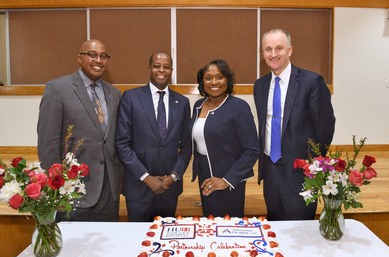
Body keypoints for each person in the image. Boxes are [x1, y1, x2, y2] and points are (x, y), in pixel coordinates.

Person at [37, 39, 124, 222]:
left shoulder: (113, 93)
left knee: (107, 246)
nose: (98, 60)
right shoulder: (58, 89)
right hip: (73, 189)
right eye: (92, 55)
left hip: (108, 192)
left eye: (103, 56)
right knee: (73, 248)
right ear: (79, 58)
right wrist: (56, 185)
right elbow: (48, 142)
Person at [253, 28, 335, 220]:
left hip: (300, 172)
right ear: (262, 53)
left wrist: (313, 163)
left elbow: (325, 126)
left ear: (290, 50)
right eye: (268, 49)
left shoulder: (311, 82)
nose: (273, 54)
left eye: (279, 48)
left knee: (301, 230)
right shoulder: (260, 86)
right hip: (270, 170)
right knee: (275, 225)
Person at [116, 51, 191, 222]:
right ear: (149, 69)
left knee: (165, 241)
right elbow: (122, 144)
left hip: (169, 188)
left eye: (166, 67)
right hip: (138, 187)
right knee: (137, 240)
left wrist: (173, 177)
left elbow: (187, 147)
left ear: (171, 70)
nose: (161, 70)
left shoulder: (182, 102)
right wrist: (146, 177)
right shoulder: (131, 98)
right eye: (157, 66)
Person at [187, 59, 260, 218]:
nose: (214, 82)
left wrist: (227, 179)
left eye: (219, 77)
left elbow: (252, 150)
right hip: (204, 173)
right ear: (202, 82)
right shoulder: (198, 105)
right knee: (209, 222)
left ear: (228, 80)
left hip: (230, 175)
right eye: (208, 78)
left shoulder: (238, 107)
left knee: (228, 227)